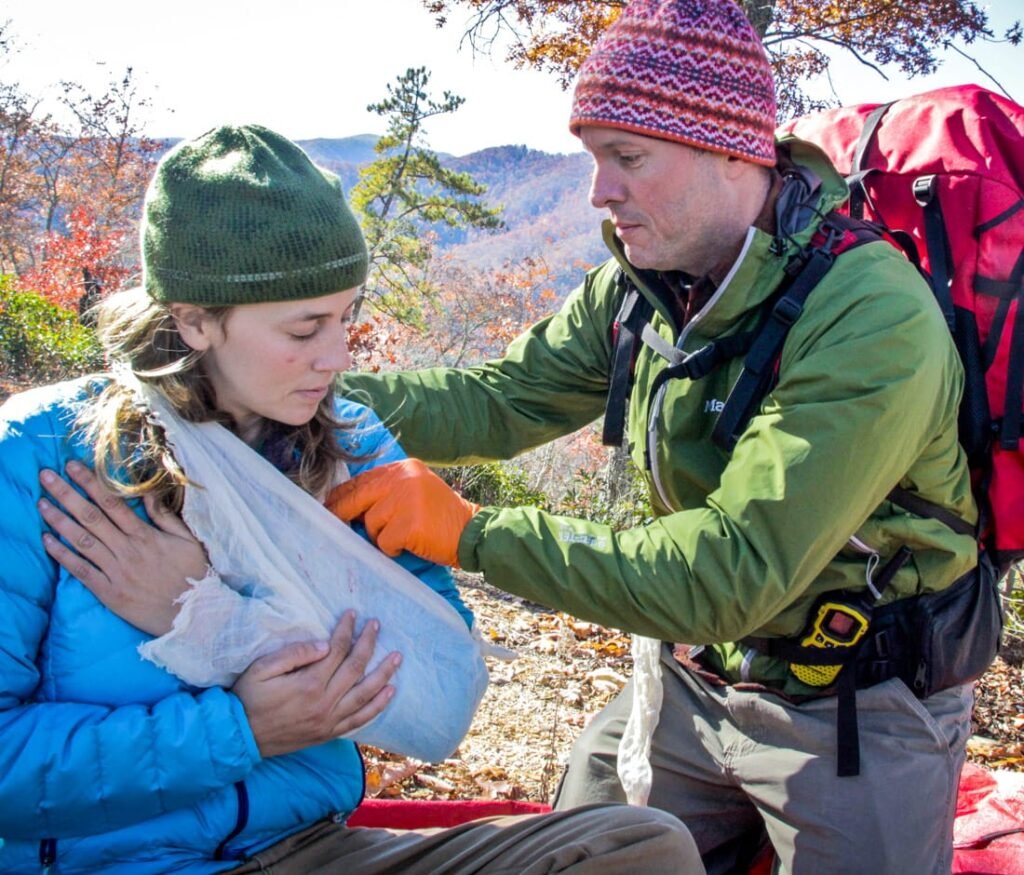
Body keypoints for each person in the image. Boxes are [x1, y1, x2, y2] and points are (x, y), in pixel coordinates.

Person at [332, 1, 985, 873]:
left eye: (626, 158)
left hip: (858, 706)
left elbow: (730, 572)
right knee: (580, 852)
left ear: (730, 149)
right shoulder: (646, 284)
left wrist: (471, 534)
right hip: (691, 675)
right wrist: (305, 397)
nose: (599, 192)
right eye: (594, 159)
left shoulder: (870, 315)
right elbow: (500, 399)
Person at [0, 124, 701, 874]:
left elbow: (440, 697)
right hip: (119, 863)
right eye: (304, 329)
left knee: (639, 847)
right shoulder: (40, 458)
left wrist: (212, 618)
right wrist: (242, 727)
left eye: (345, 318)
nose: (337, 360)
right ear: (193, 319)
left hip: (310, 848)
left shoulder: (347, 443)